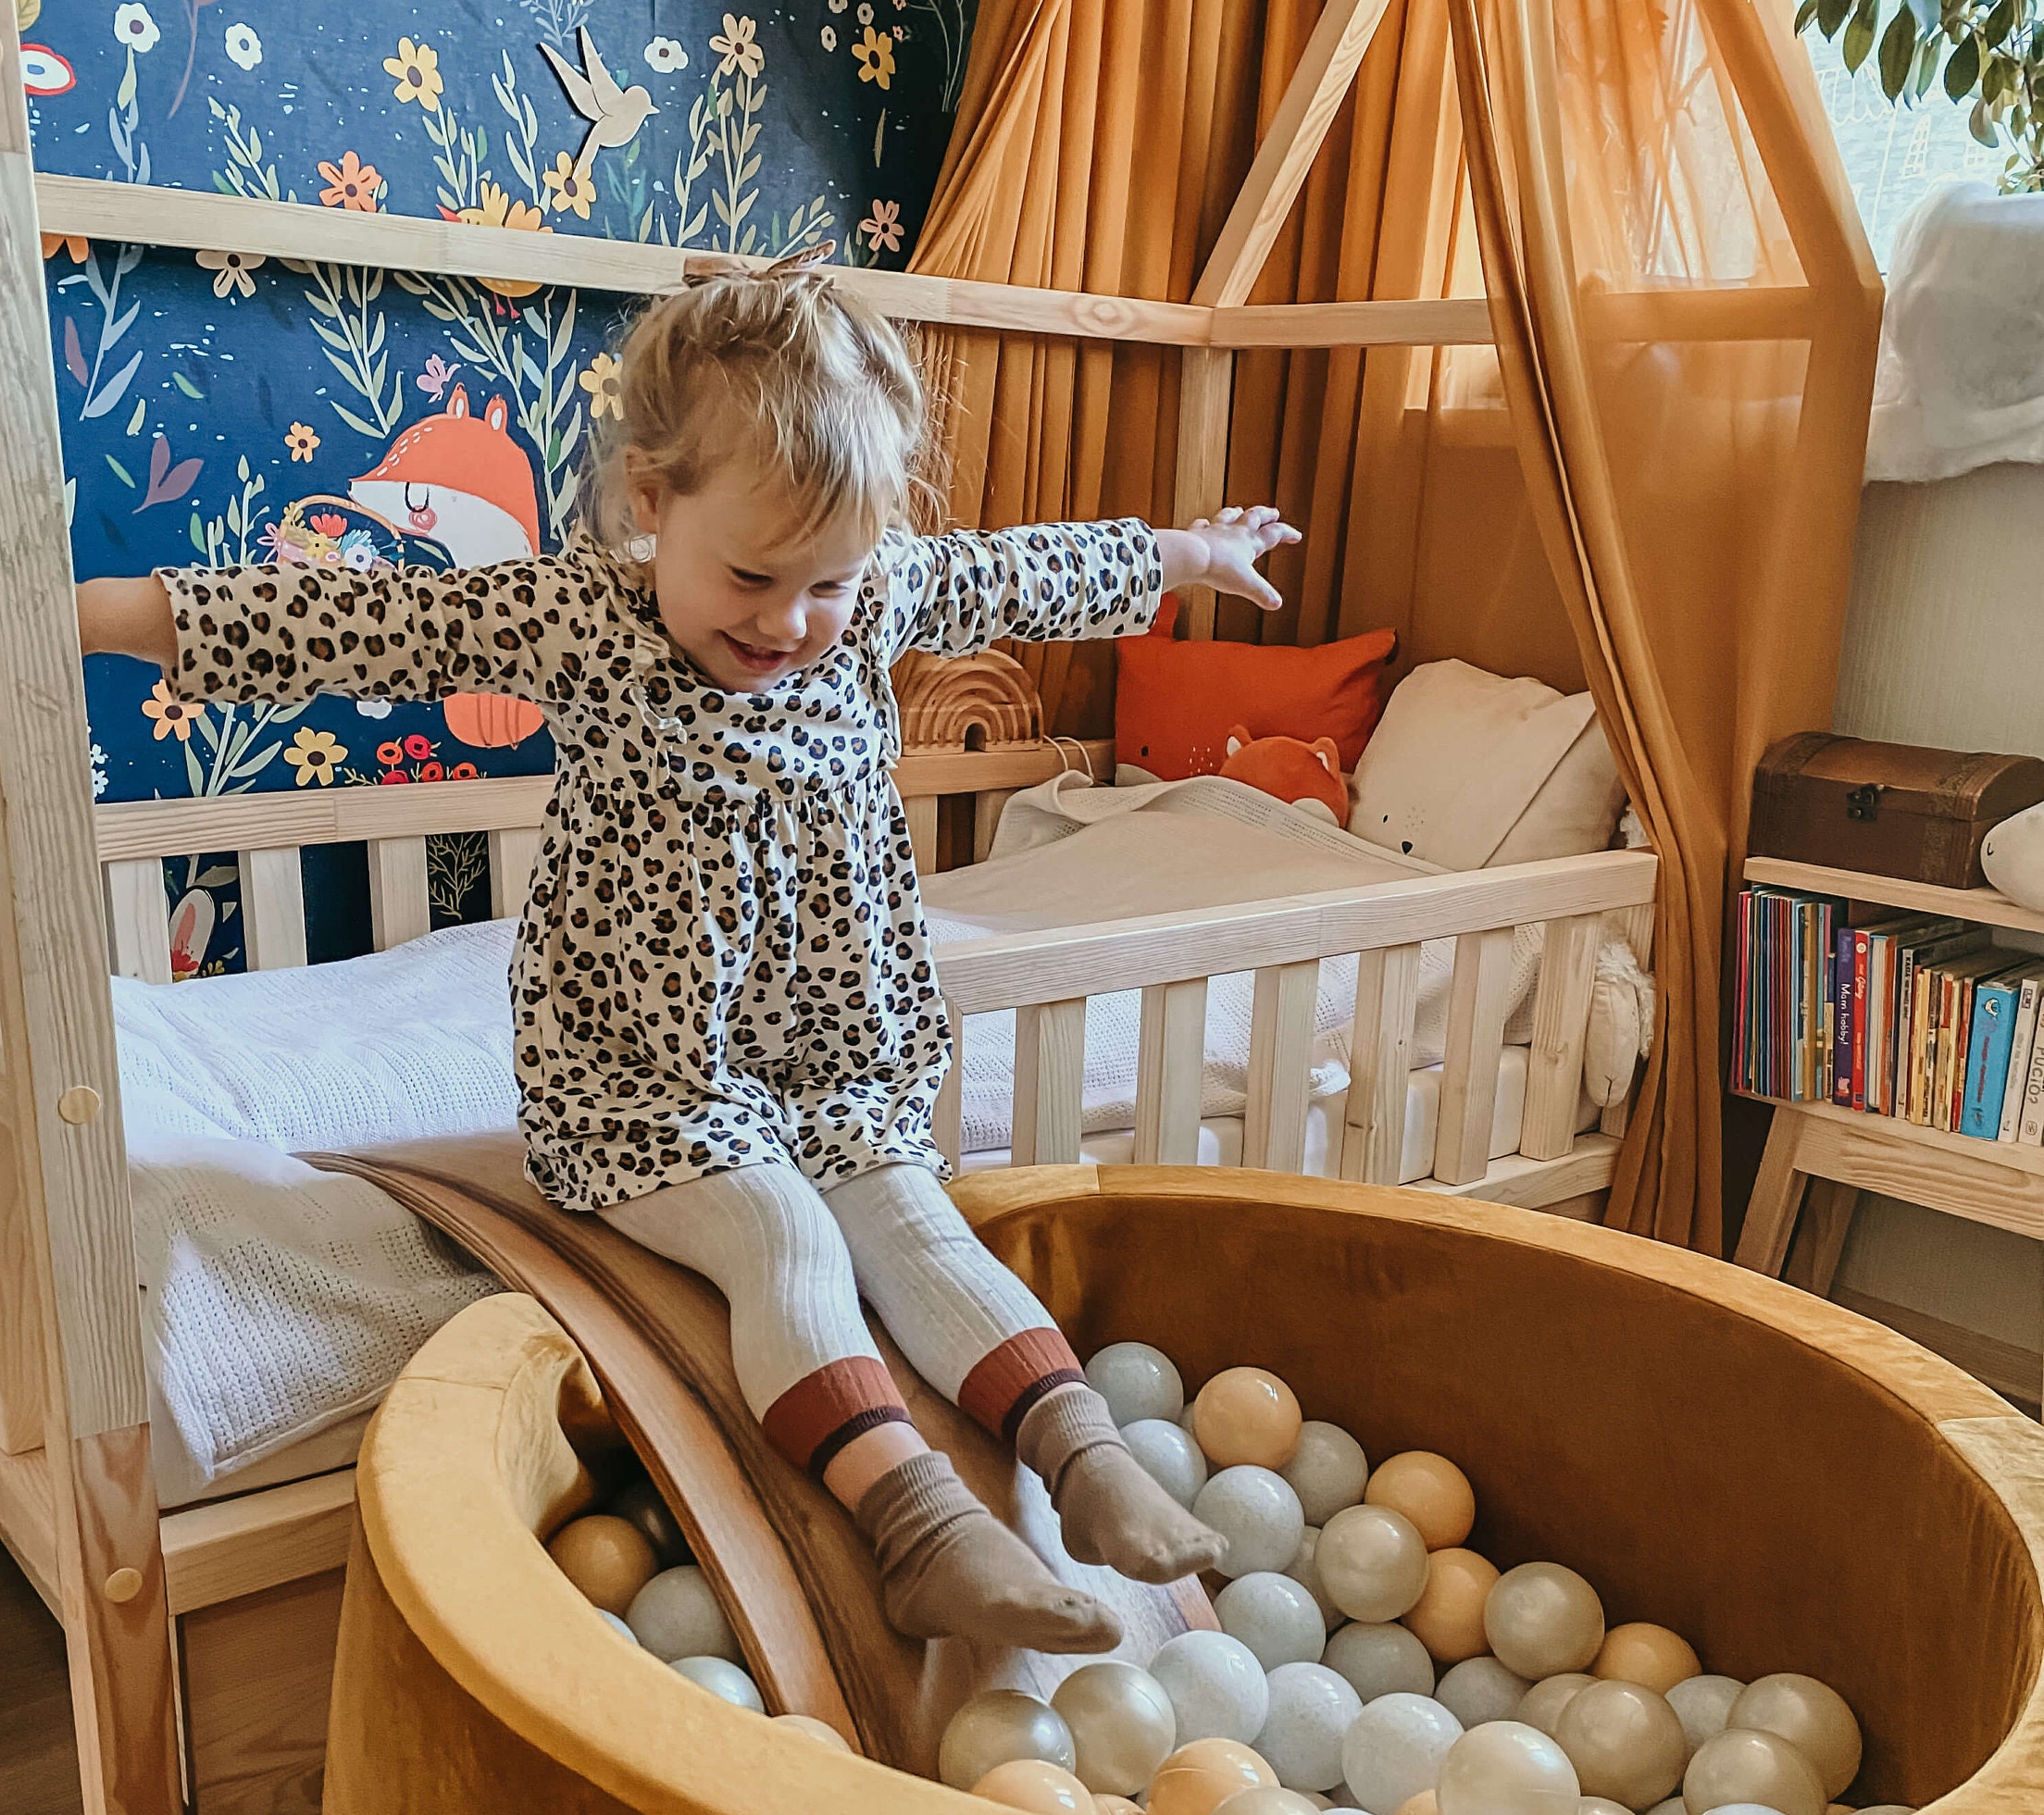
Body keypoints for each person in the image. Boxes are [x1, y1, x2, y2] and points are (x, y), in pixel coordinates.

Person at [76, 265, 1300, 1654]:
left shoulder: (876, 601)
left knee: (911, 1220)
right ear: (651, 504)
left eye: (827, 582)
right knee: (781, 1235)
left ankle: (1084, 1462)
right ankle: (919, 1533)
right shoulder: (584, 618)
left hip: (840, 1058)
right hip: (645, 1085)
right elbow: (364, 623)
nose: (788, 623)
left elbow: (1024, 569)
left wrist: (1192, 556)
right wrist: (102, 613)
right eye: (752, 577)